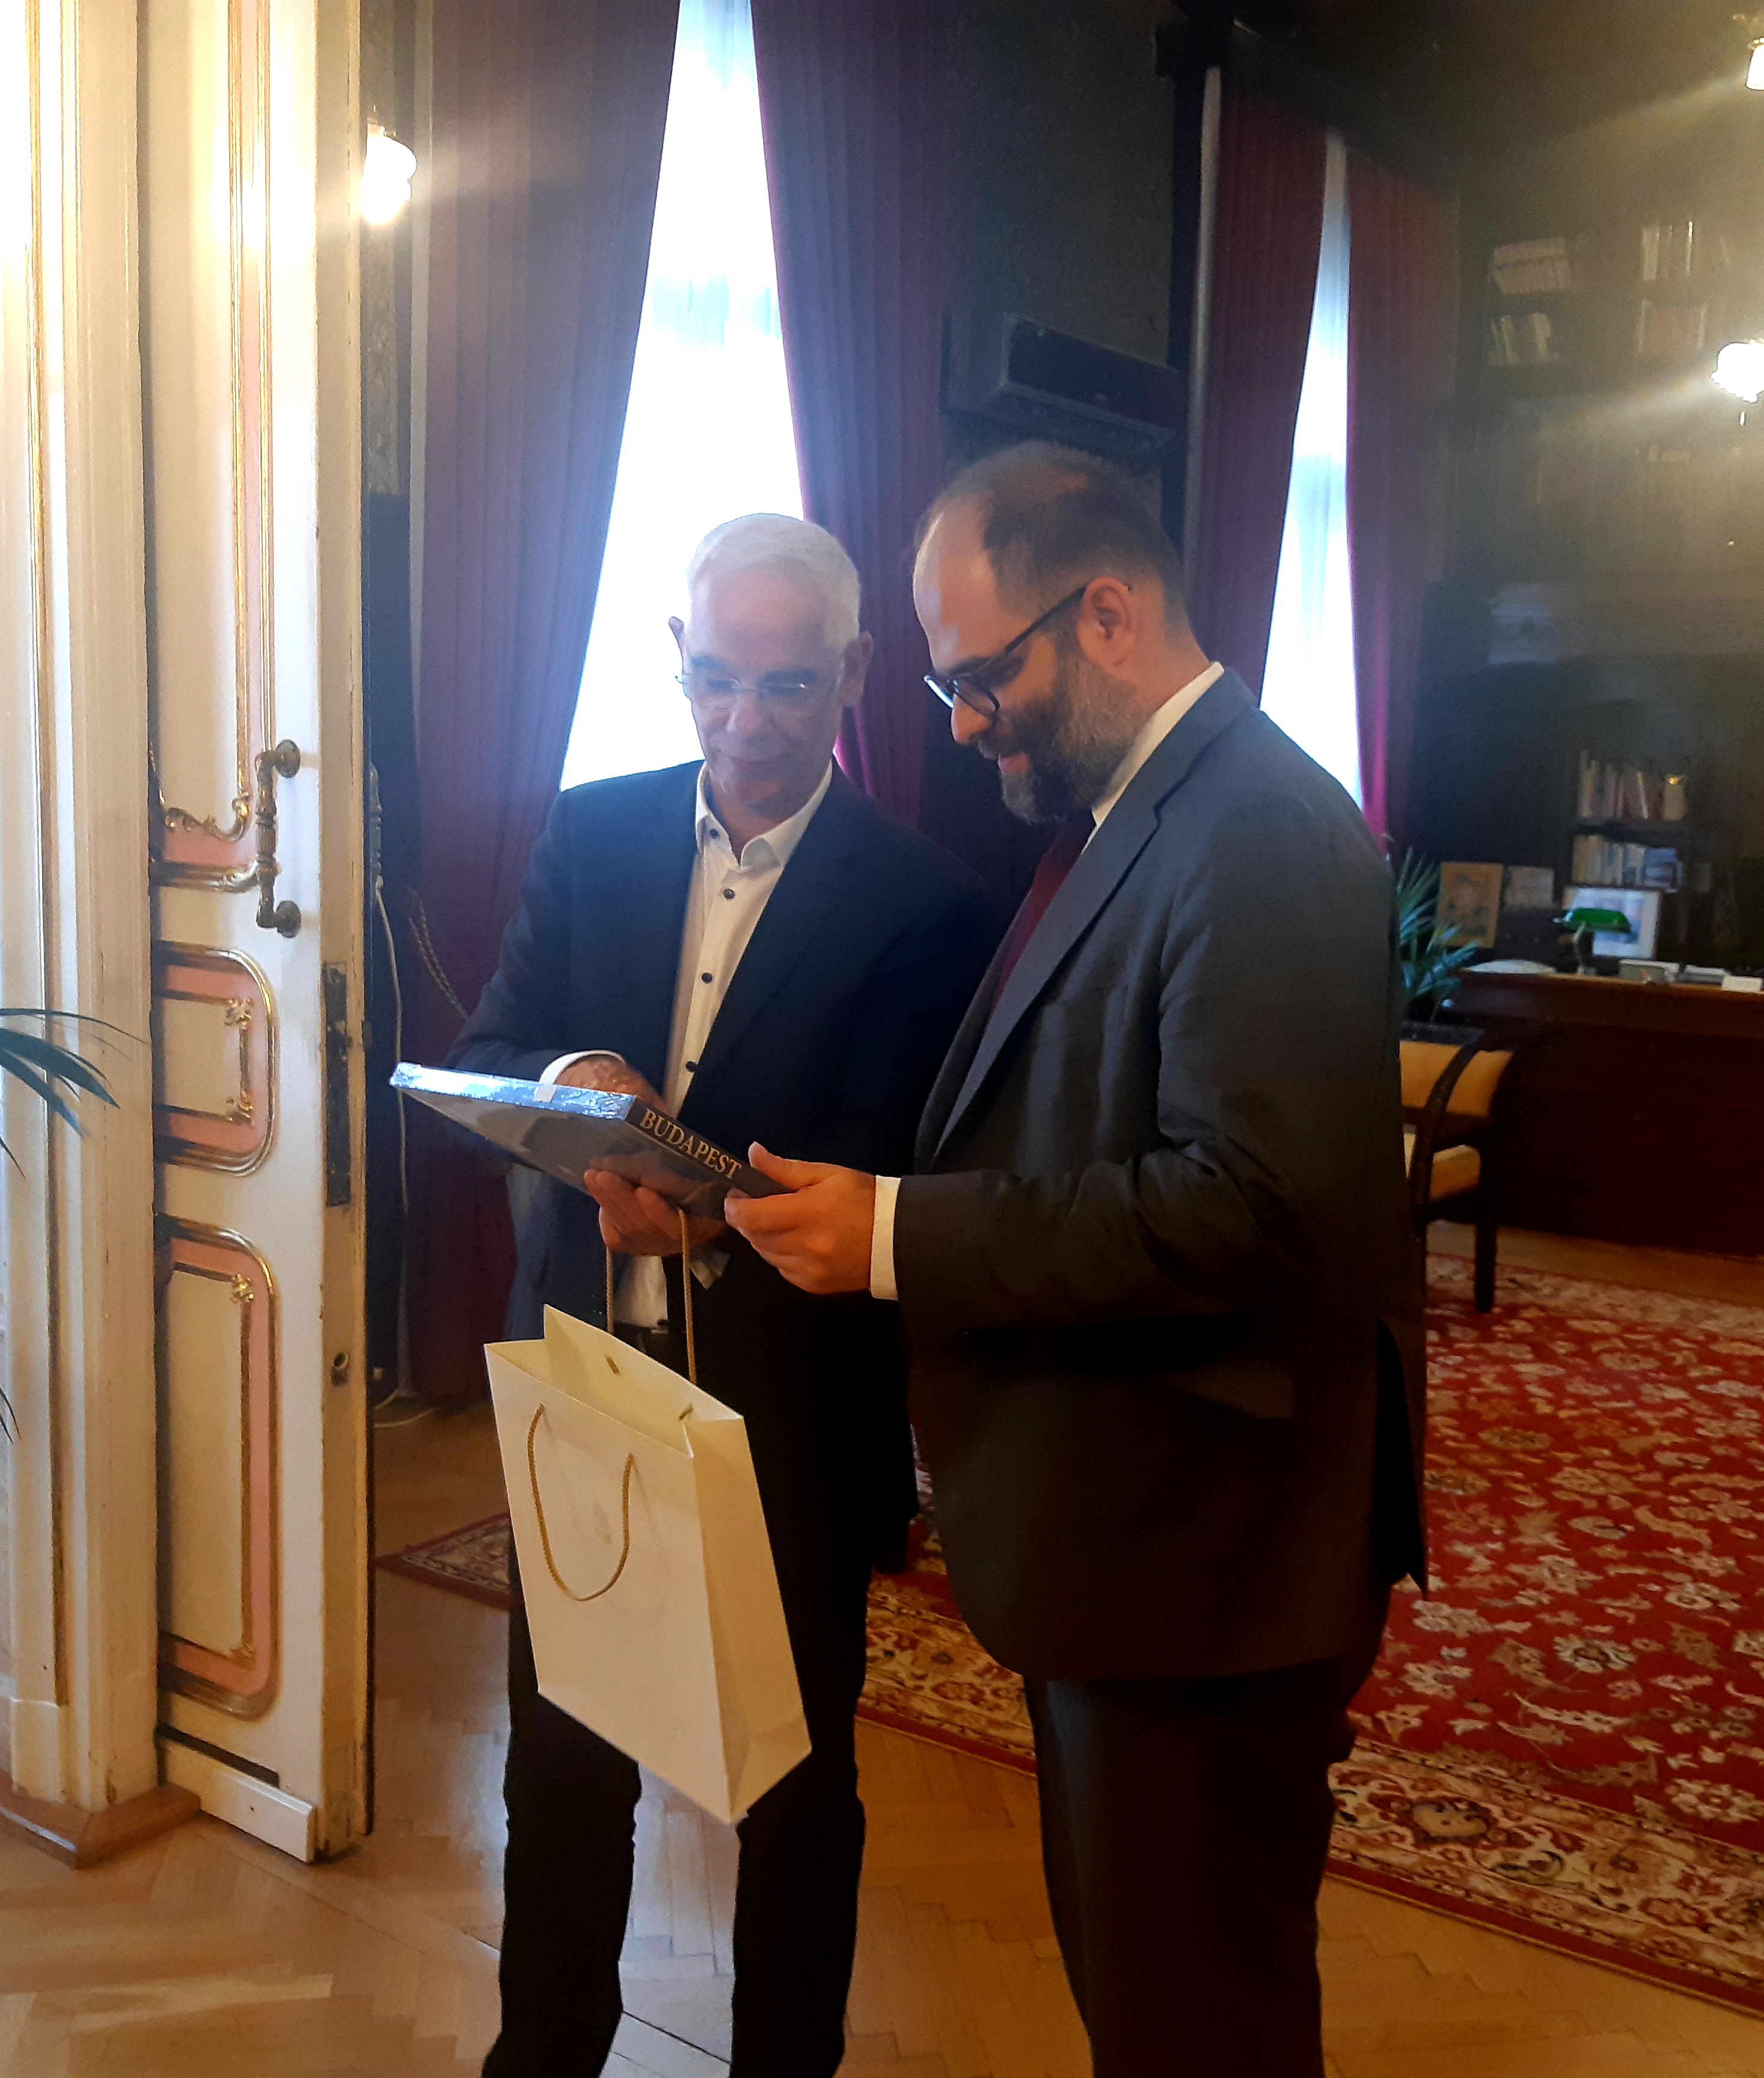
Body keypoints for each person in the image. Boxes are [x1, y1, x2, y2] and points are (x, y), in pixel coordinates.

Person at [724, 443, 1428, 2078]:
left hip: (1210, 1569)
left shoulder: (1259, 832)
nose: (967, 725)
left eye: (984, 679)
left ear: (1105, 613)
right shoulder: (1155, 811)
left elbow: (1250, 1207)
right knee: (1152, 2002)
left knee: (1198, 2026)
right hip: (1146, 1544)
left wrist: (897, 1235)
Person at [452, 513, 1002, 2078]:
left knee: (792, 1788)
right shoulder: (592, 832)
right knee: (562, 1763)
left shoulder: (927, 901)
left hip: (789, 1413)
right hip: (587, 1382)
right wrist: (574, 1080)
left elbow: (904, 1166)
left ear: (855, 673)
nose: (746, 723)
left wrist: (708, 1207)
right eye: (715, 680)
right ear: (676, 662)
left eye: (787, 686)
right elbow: (493, 1045)